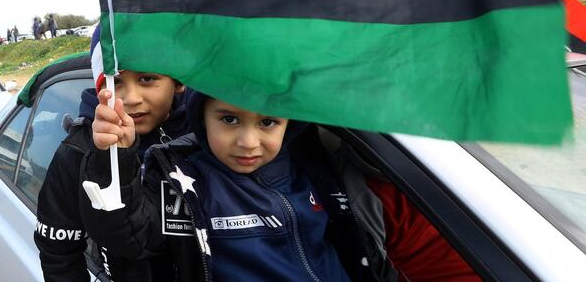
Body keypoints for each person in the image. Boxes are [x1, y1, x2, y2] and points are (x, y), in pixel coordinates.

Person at [80, 91, 479, 281]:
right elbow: (130, 233)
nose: (249, 142)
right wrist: (112, 159)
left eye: (268, 122)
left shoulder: (317, 172)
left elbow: (361, 255)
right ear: (202, 118)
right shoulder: (186, 182)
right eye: (230, 120)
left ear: (290, 125)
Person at [34, 28, 192, 281]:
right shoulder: (78, 150)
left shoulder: (206, 135)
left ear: (177, 81)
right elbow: (58, 253)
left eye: (147, 79)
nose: (131, 98)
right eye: (115, 82)